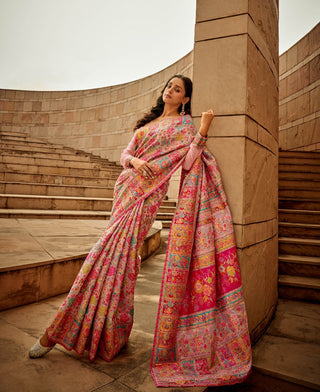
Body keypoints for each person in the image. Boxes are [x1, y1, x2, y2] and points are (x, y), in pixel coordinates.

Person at [29, 75, 252, 387]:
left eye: (178, 89)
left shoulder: (184, 127)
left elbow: (188, 163)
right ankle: (108, 332)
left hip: (147, 197)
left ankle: (55, 332)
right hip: (125, 189)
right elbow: (124, 156)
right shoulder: (146, 124)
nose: (170, 90)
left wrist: (203, 130)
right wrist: (133, 161)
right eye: (169, 86)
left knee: (108, 257)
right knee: (116, 261)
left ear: (185, 99)